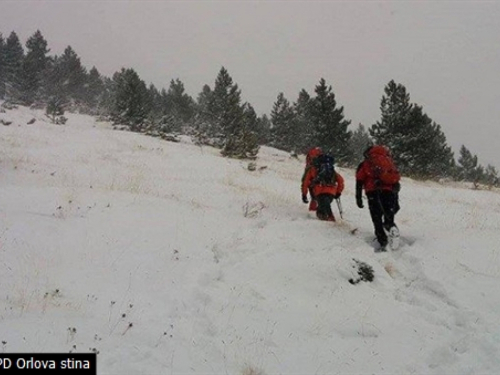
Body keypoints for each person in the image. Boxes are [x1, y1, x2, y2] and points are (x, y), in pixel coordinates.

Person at [355, 145, 401, 251]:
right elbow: (395, 178)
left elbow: (359, 180)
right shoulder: (389, 161)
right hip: (390, 191)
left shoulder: (367, 163)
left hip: (373, 192)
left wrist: (358, 197)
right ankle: (391, 227)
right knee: (388, 214)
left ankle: (383, 242)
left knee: (377, 218)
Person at [301, 152, 344, 221]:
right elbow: (341, 181)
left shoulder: (313, 169)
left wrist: (304, 194)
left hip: (319, 191)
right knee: (325, 204)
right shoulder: (331, 170)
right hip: (332, 192)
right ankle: (325, 216)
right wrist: (338, 192)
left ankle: (330, 217)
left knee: (323, 204)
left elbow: (305, 182)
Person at [302, 147, 323, 211]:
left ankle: (313, 208)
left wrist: (304, 194)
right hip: (319, 180)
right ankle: (315, 208)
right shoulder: (320, 155)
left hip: (311, 179)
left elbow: (305, 182)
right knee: (317, 195)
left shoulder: (311, 155)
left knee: (314, 196)